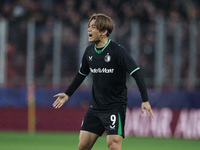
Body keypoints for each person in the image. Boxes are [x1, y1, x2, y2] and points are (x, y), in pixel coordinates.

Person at [53, 13, 154, 150]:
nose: (89, 29)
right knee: (83, 146)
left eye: (93, 27)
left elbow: (136, 73)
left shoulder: (118, 51)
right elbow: (81, 74)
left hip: (114, 107)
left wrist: (145, 100)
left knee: (113, 144)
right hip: (95, 107)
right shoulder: (89, 52)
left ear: (104, 32)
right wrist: (67, 94)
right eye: (89, 26)